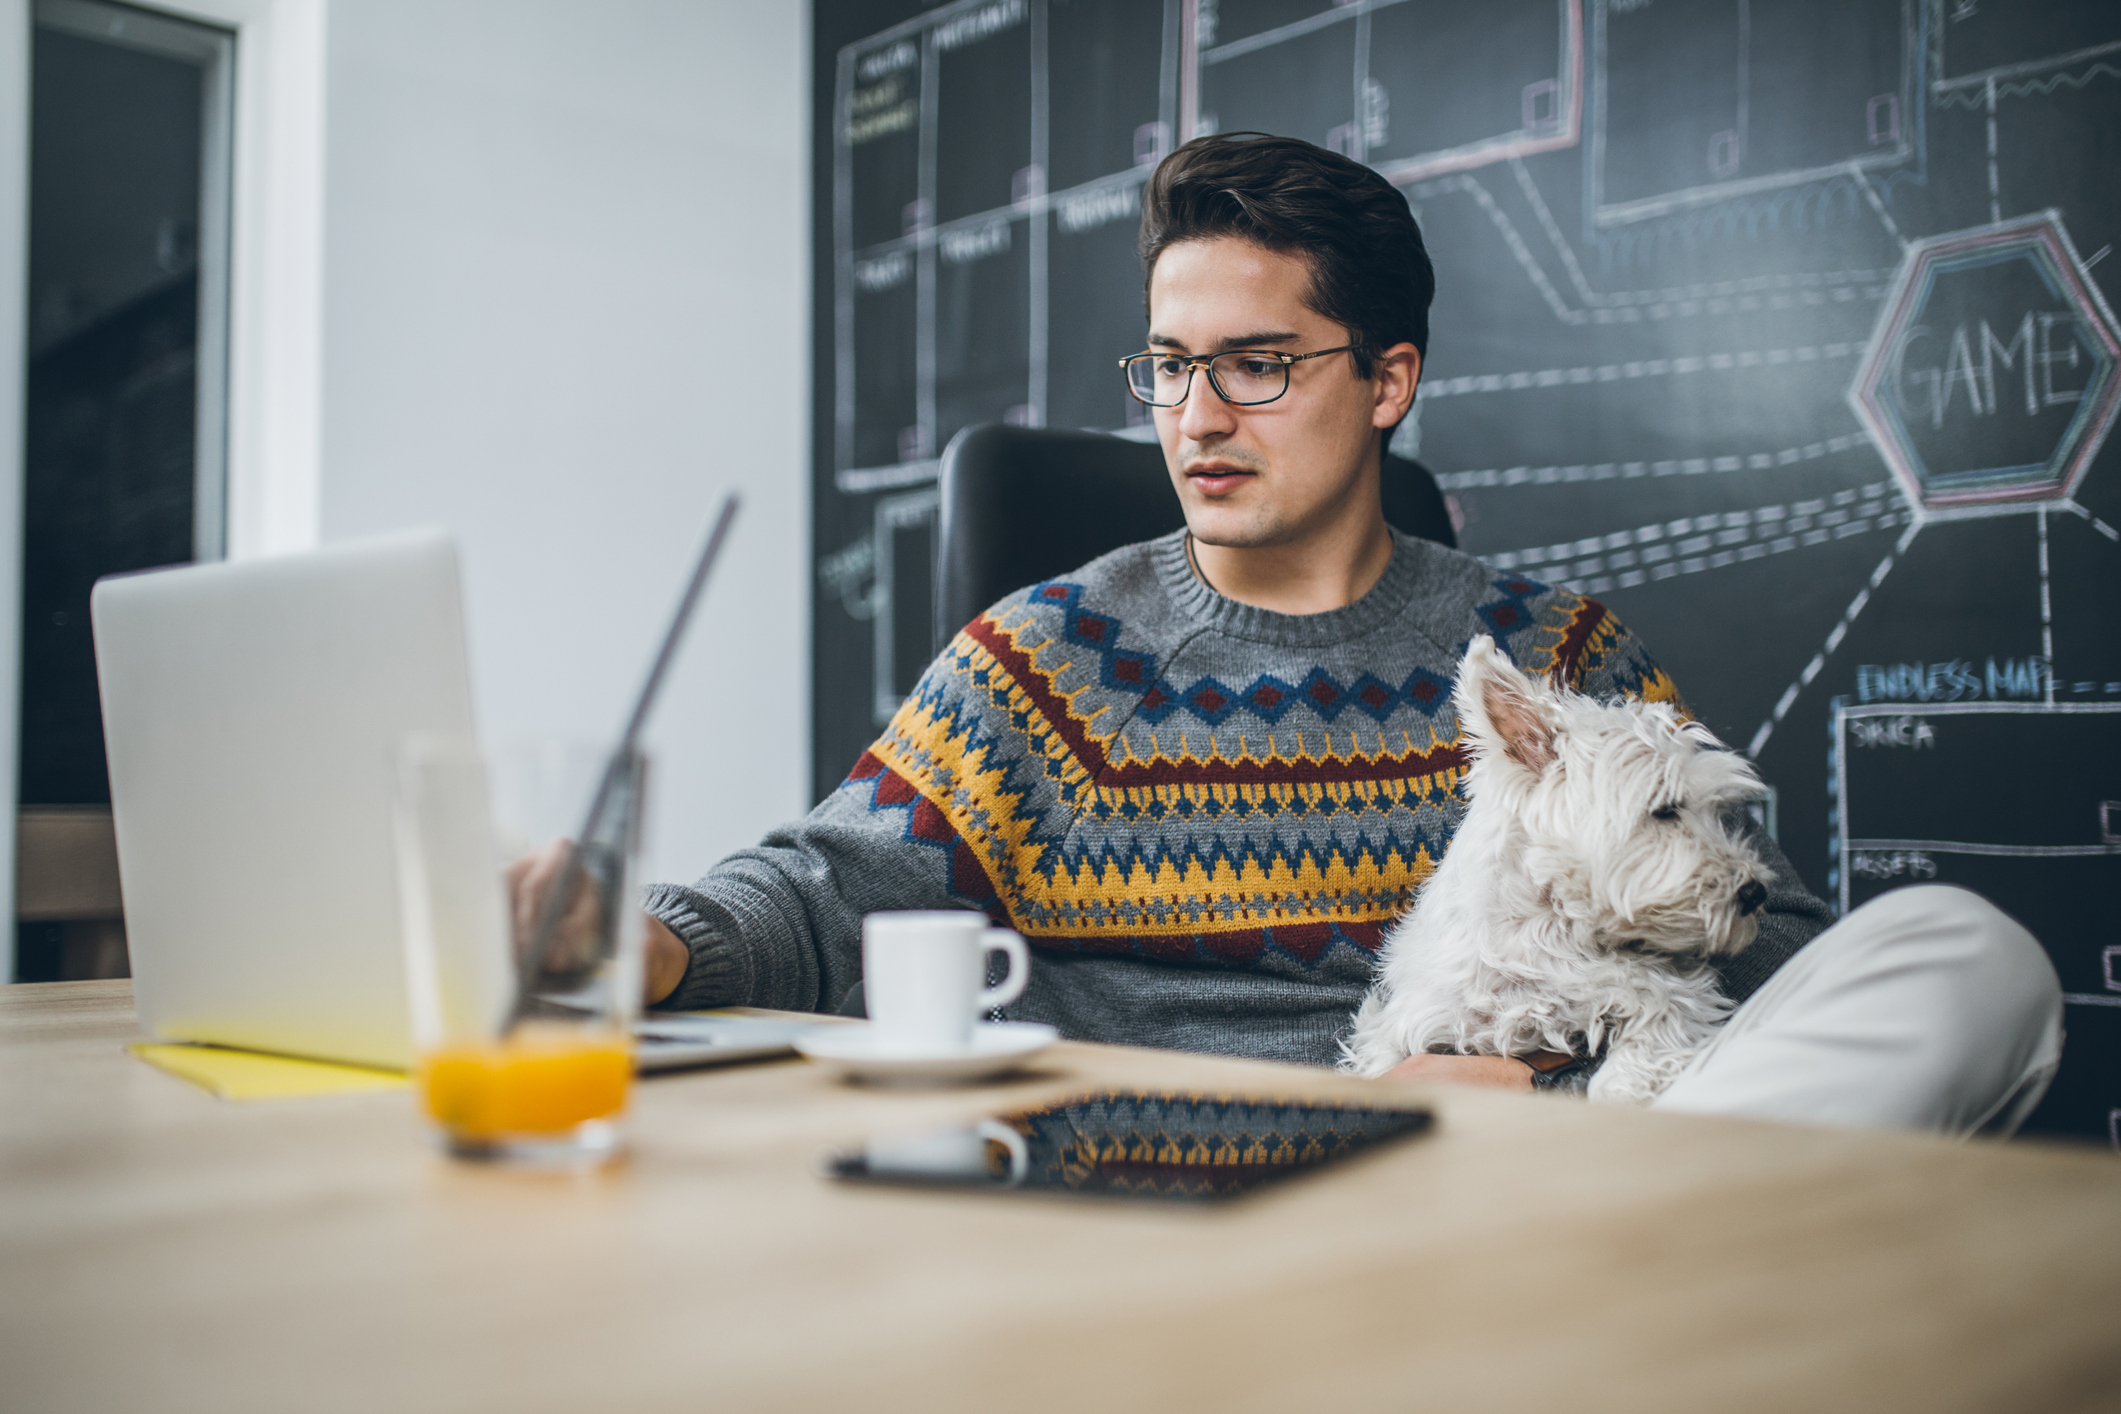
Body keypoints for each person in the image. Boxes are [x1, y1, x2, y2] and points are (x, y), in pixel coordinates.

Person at [634, 134, 2062, 1135]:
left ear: (1387, 382)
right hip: (1234, 1207)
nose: (1194, 416)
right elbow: (821, 898)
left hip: (1587, 1154)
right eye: (1170, 367)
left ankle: (1658, 1256)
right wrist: (644, 946)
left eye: (1255, 365)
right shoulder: (1052, 657)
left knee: (1967, 951)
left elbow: (1763, 942)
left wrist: (1554, 1092)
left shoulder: (1560, 654)